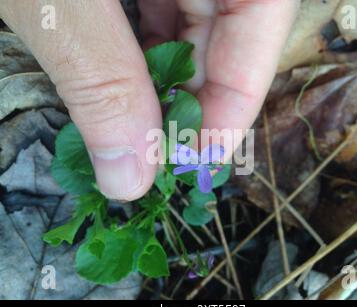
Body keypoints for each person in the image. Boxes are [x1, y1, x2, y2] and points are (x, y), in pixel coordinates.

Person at [0, 0, 299, 201]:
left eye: (203, 166)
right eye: (205, 164)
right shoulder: (187, 159)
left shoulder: (188, 163)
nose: (204, 165)